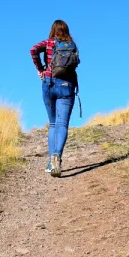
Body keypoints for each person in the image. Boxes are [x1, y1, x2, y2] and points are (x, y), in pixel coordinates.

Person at [29, 19, 80, 178]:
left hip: (49, 84)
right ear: (66, 30)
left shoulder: (49, 42)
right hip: (67, 86)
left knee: (52, 124)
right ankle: (57, 155)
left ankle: (52, 163)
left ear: (53, 30)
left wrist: (40, 69)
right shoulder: (72, 45)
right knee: (62, 124)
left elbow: (33, 50)